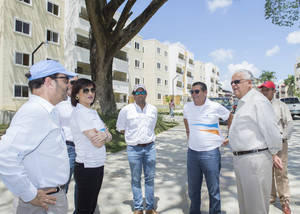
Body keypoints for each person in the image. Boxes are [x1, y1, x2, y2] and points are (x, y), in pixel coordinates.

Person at [0, 60, 76, 214]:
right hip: (42, 203)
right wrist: (29, 194)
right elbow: (6, 155)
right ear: (49, 82)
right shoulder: (35, 112)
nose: (68, 85)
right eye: (65, 80)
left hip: (51, 198)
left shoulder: (49, 111)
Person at [228, 69, 283, 214]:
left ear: (249, 83)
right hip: (242, 160)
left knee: (256, 208)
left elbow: (271, 131)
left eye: (237, 81)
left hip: (254, 161)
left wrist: (274, 153)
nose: (233, 85)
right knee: (245, 206)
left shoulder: (258, 101)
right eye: (231, 82)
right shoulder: (243, 102)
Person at [183, 82, 233, 214]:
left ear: (205, 92)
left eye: (197, 91)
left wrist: (230, 135)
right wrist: (189, 133)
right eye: (192, 92)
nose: (194, 95)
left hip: (211, 154)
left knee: (213, 190)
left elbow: (230, 117)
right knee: (193, 190)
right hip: (192, 154)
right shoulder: (187, 107)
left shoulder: (215, 106)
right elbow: (185, 119)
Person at [70, 78, 112, 214]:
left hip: (98, 164)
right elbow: (98, 142)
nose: (90, 93)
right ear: (77, 94)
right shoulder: (80, 113)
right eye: (86, 90)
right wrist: (105, 133)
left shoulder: (92, 112)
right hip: (87, 166)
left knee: (91, 207)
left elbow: (109, 136)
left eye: (92, 90)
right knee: (84, 210)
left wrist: (104, 134)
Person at [116, 84, 158, 214]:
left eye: (142, 92)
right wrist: (134, 137)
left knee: (150, 179)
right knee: (136, 179)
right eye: (137, 93)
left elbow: (152, 126)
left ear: (146, 94)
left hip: (150, 148)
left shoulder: (153, 109)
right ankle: (138, 208)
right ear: (133, 95)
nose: (140, 95)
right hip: (134, 149)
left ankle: (150, 208)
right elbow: (120, 128)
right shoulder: (126, 110)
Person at [259, 80, 293, 214]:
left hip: (279, 143)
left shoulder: (281, 105)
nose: (265, 92)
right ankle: (271, 197)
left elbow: (289, 124)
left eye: (267, 89)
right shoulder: (259, 106)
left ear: (274, 91)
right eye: (263, 90)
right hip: (263, 144)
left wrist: (283, 137)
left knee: (281, 172)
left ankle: (285, 201)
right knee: (266, 172)